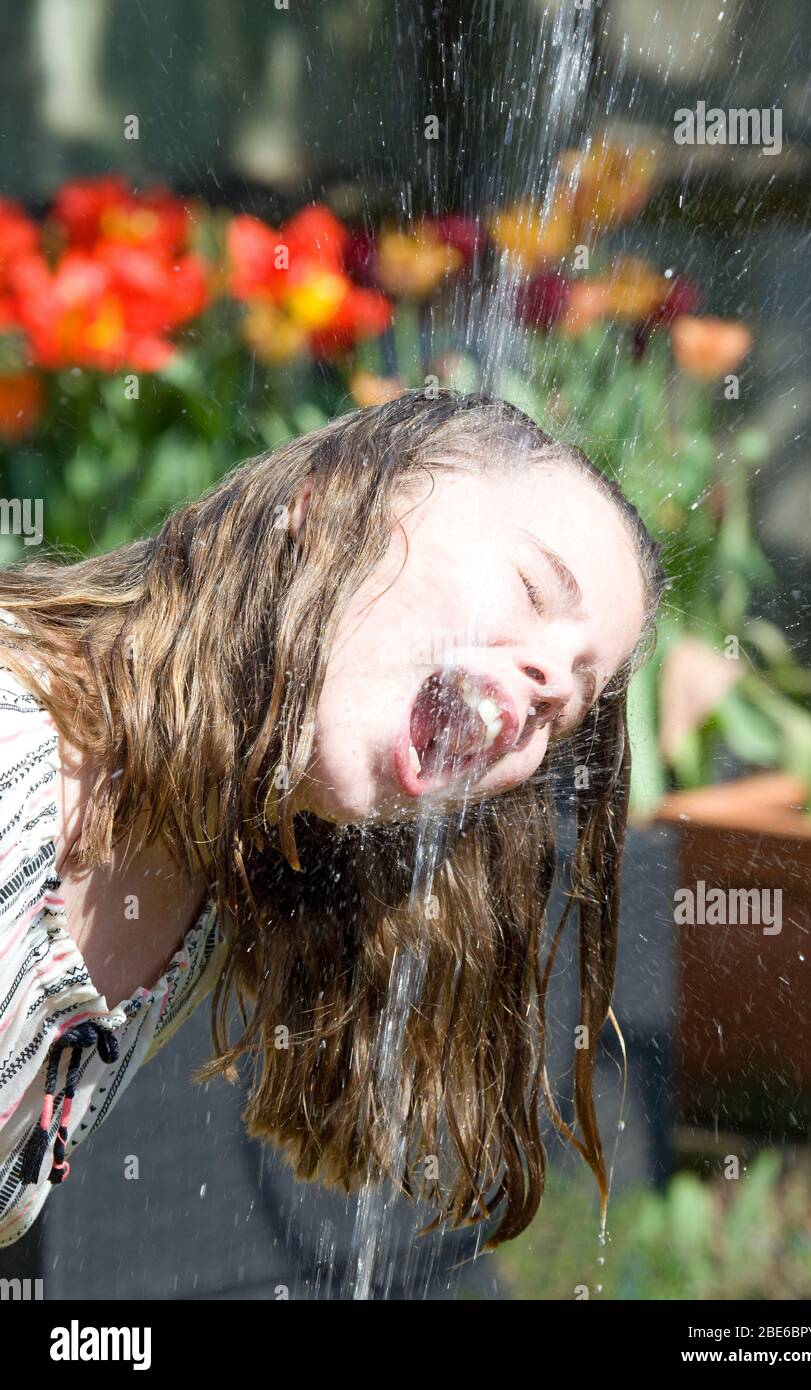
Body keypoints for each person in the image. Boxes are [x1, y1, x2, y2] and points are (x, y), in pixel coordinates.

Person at [0, 388, 666, 1250]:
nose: (546, 685)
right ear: (321, 509)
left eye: (567, 707)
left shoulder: (203, 893)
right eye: (531, 587)